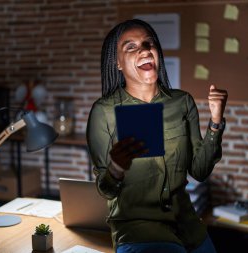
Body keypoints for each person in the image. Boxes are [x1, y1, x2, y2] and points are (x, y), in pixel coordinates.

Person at [86, 19, 228, 253]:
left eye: (147, 43)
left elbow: (200, 171)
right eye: (130, 47)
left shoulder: (182, 102)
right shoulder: (104, 112)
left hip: (188, 225)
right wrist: (116, 169)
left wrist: (216, 121)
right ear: (117, 63)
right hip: (138, 229)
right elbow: (106, 189)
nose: (143, 49)